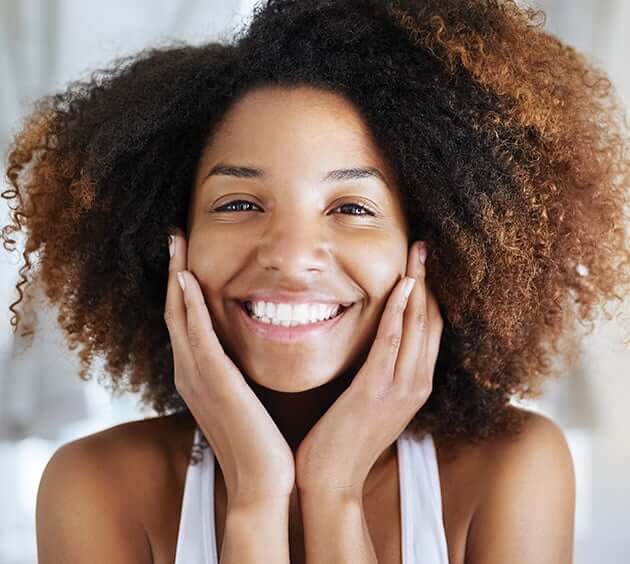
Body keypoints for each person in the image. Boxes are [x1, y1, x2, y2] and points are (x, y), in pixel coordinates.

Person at [3, 0, 629, 562]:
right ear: (170, 241)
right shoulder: (97, 486)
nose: (291, 255)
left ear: (435, 248)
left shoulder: (509, 469)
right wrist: (255, 499)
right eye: (239, 204)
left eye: (352, 208)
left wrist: (333, 492)